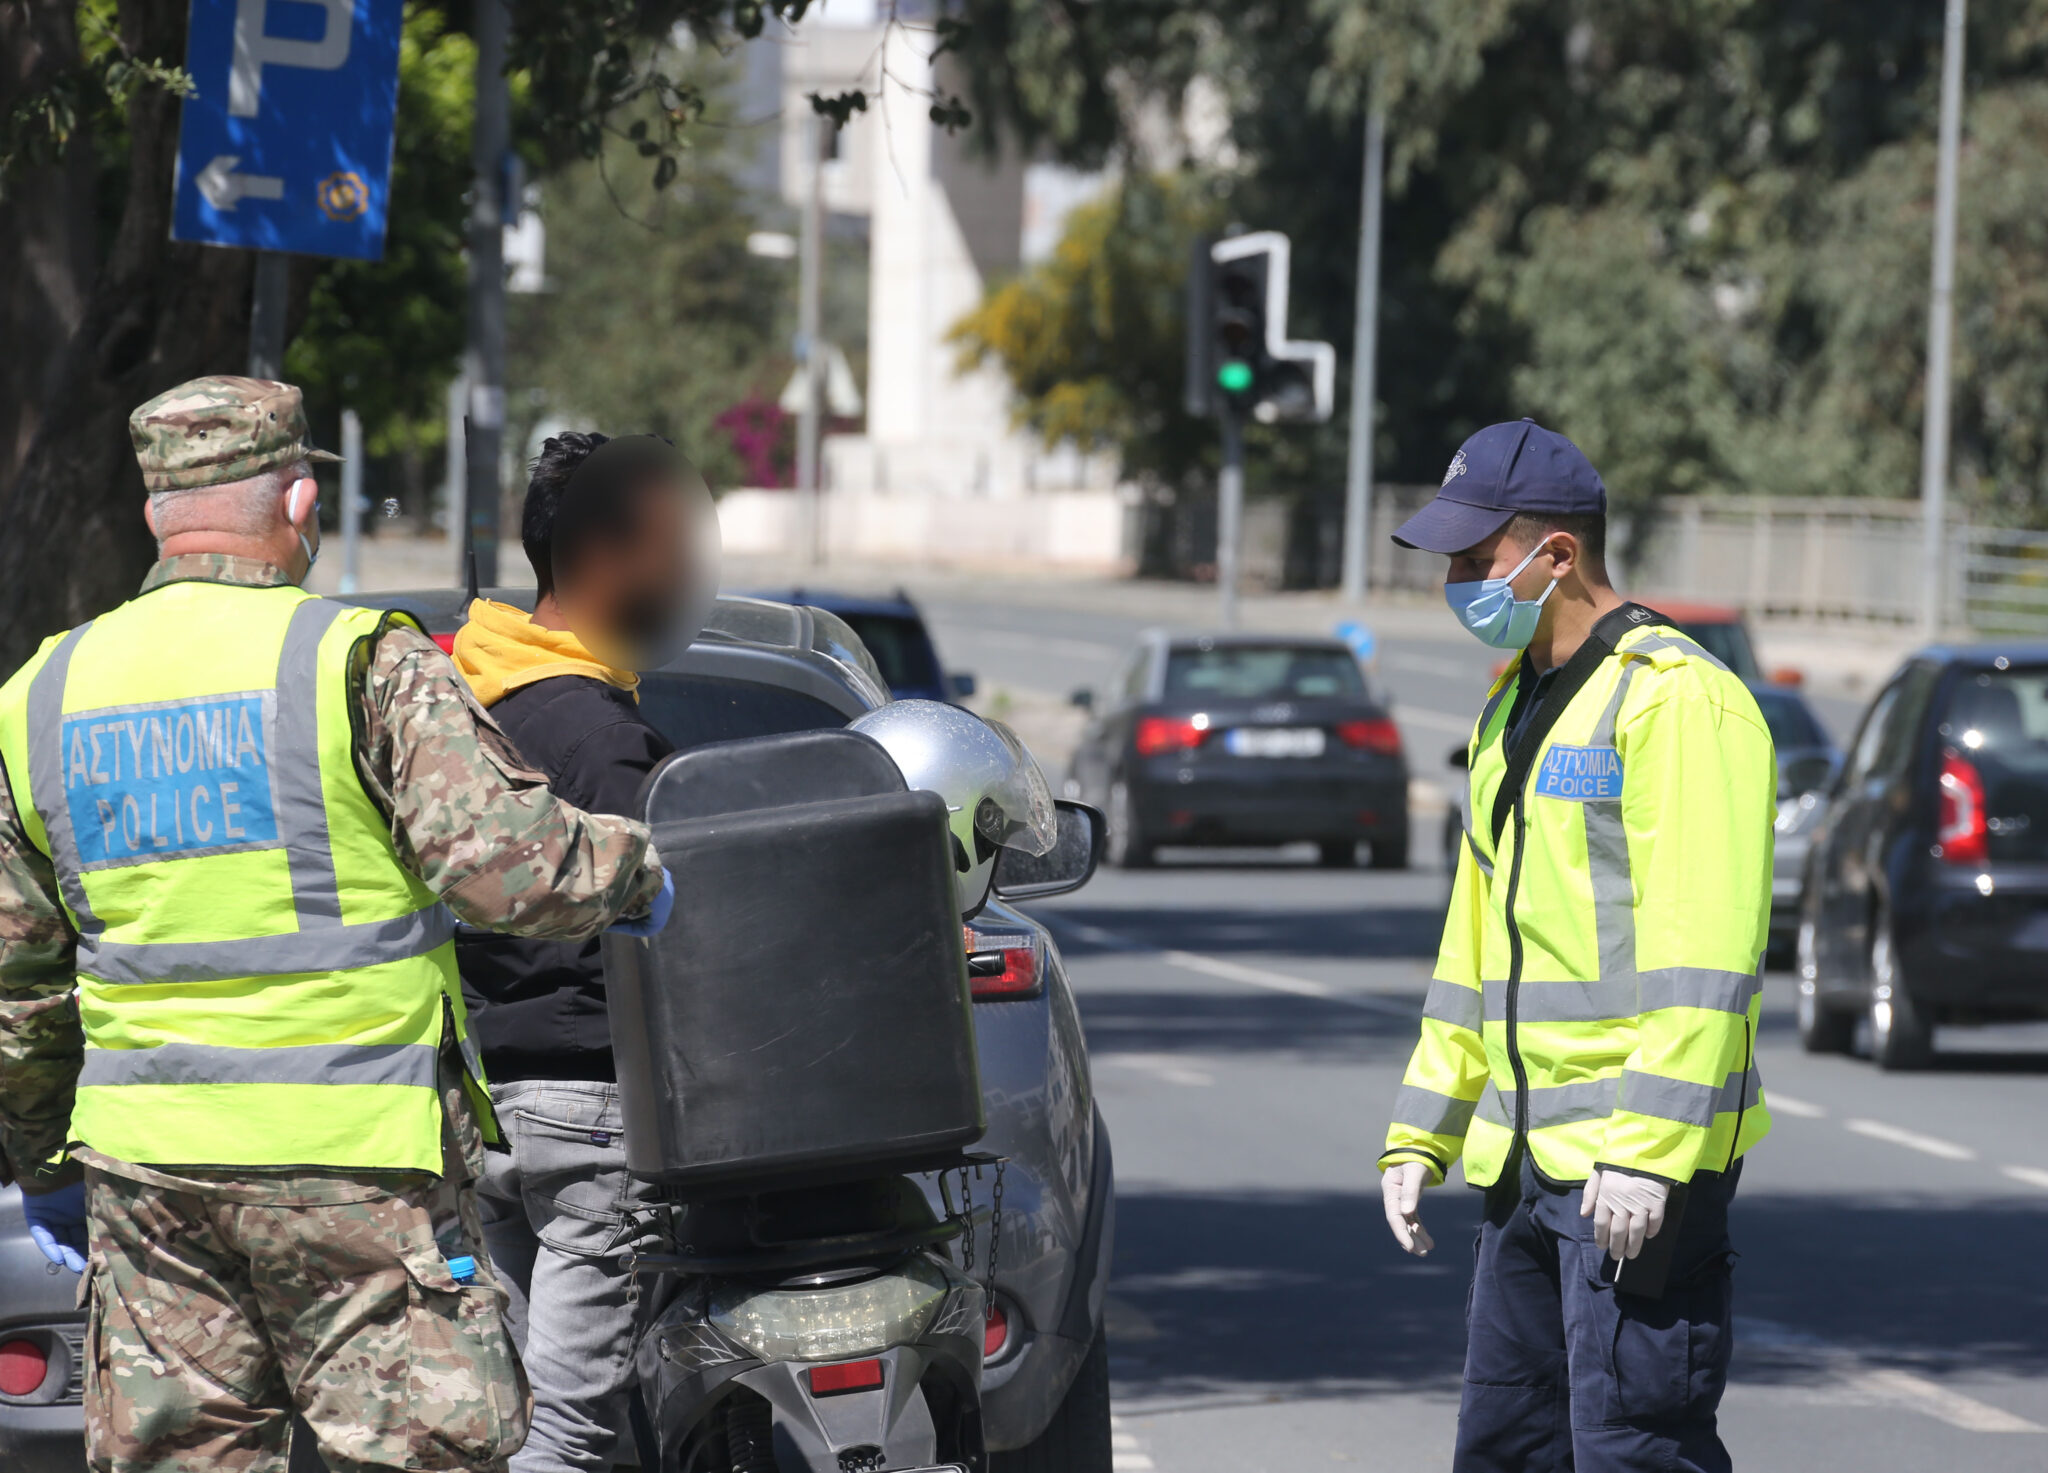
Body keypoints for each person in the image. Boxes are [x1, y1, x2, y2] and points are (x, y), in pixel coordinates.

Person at [0, 376, 676, 1473]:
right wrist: (645, 871)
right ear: (301, 502)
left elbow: (19, 987)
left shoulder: (42, 690)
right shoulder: (358, 661)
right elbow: (511, 871)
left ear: (152, 516)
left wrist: (46, 1169)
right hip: (361, 1171)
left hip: (151, 1180)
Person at [1377, 419, 1775, 1472]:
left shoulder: (1674, 700)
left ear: (1556, 554)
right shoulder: (1515, 702)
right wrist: (1421, 1129)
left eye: (1475, 557)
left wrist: (1644, 1153)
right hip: (1520, 1167)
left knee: (1633, 1451)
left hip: (1629, 1177)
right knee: (1508, 1450)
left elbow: (1706, 953)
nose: (1455, 581)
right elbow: (1473, 949)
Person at [452, 430, 714, 1473]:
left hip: (483, 1103)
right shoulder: (598, 735)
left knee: (504, 1414)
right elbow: (658, 924)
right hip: (587, 1109)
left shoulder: (466, 694)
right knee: (569, 1426)